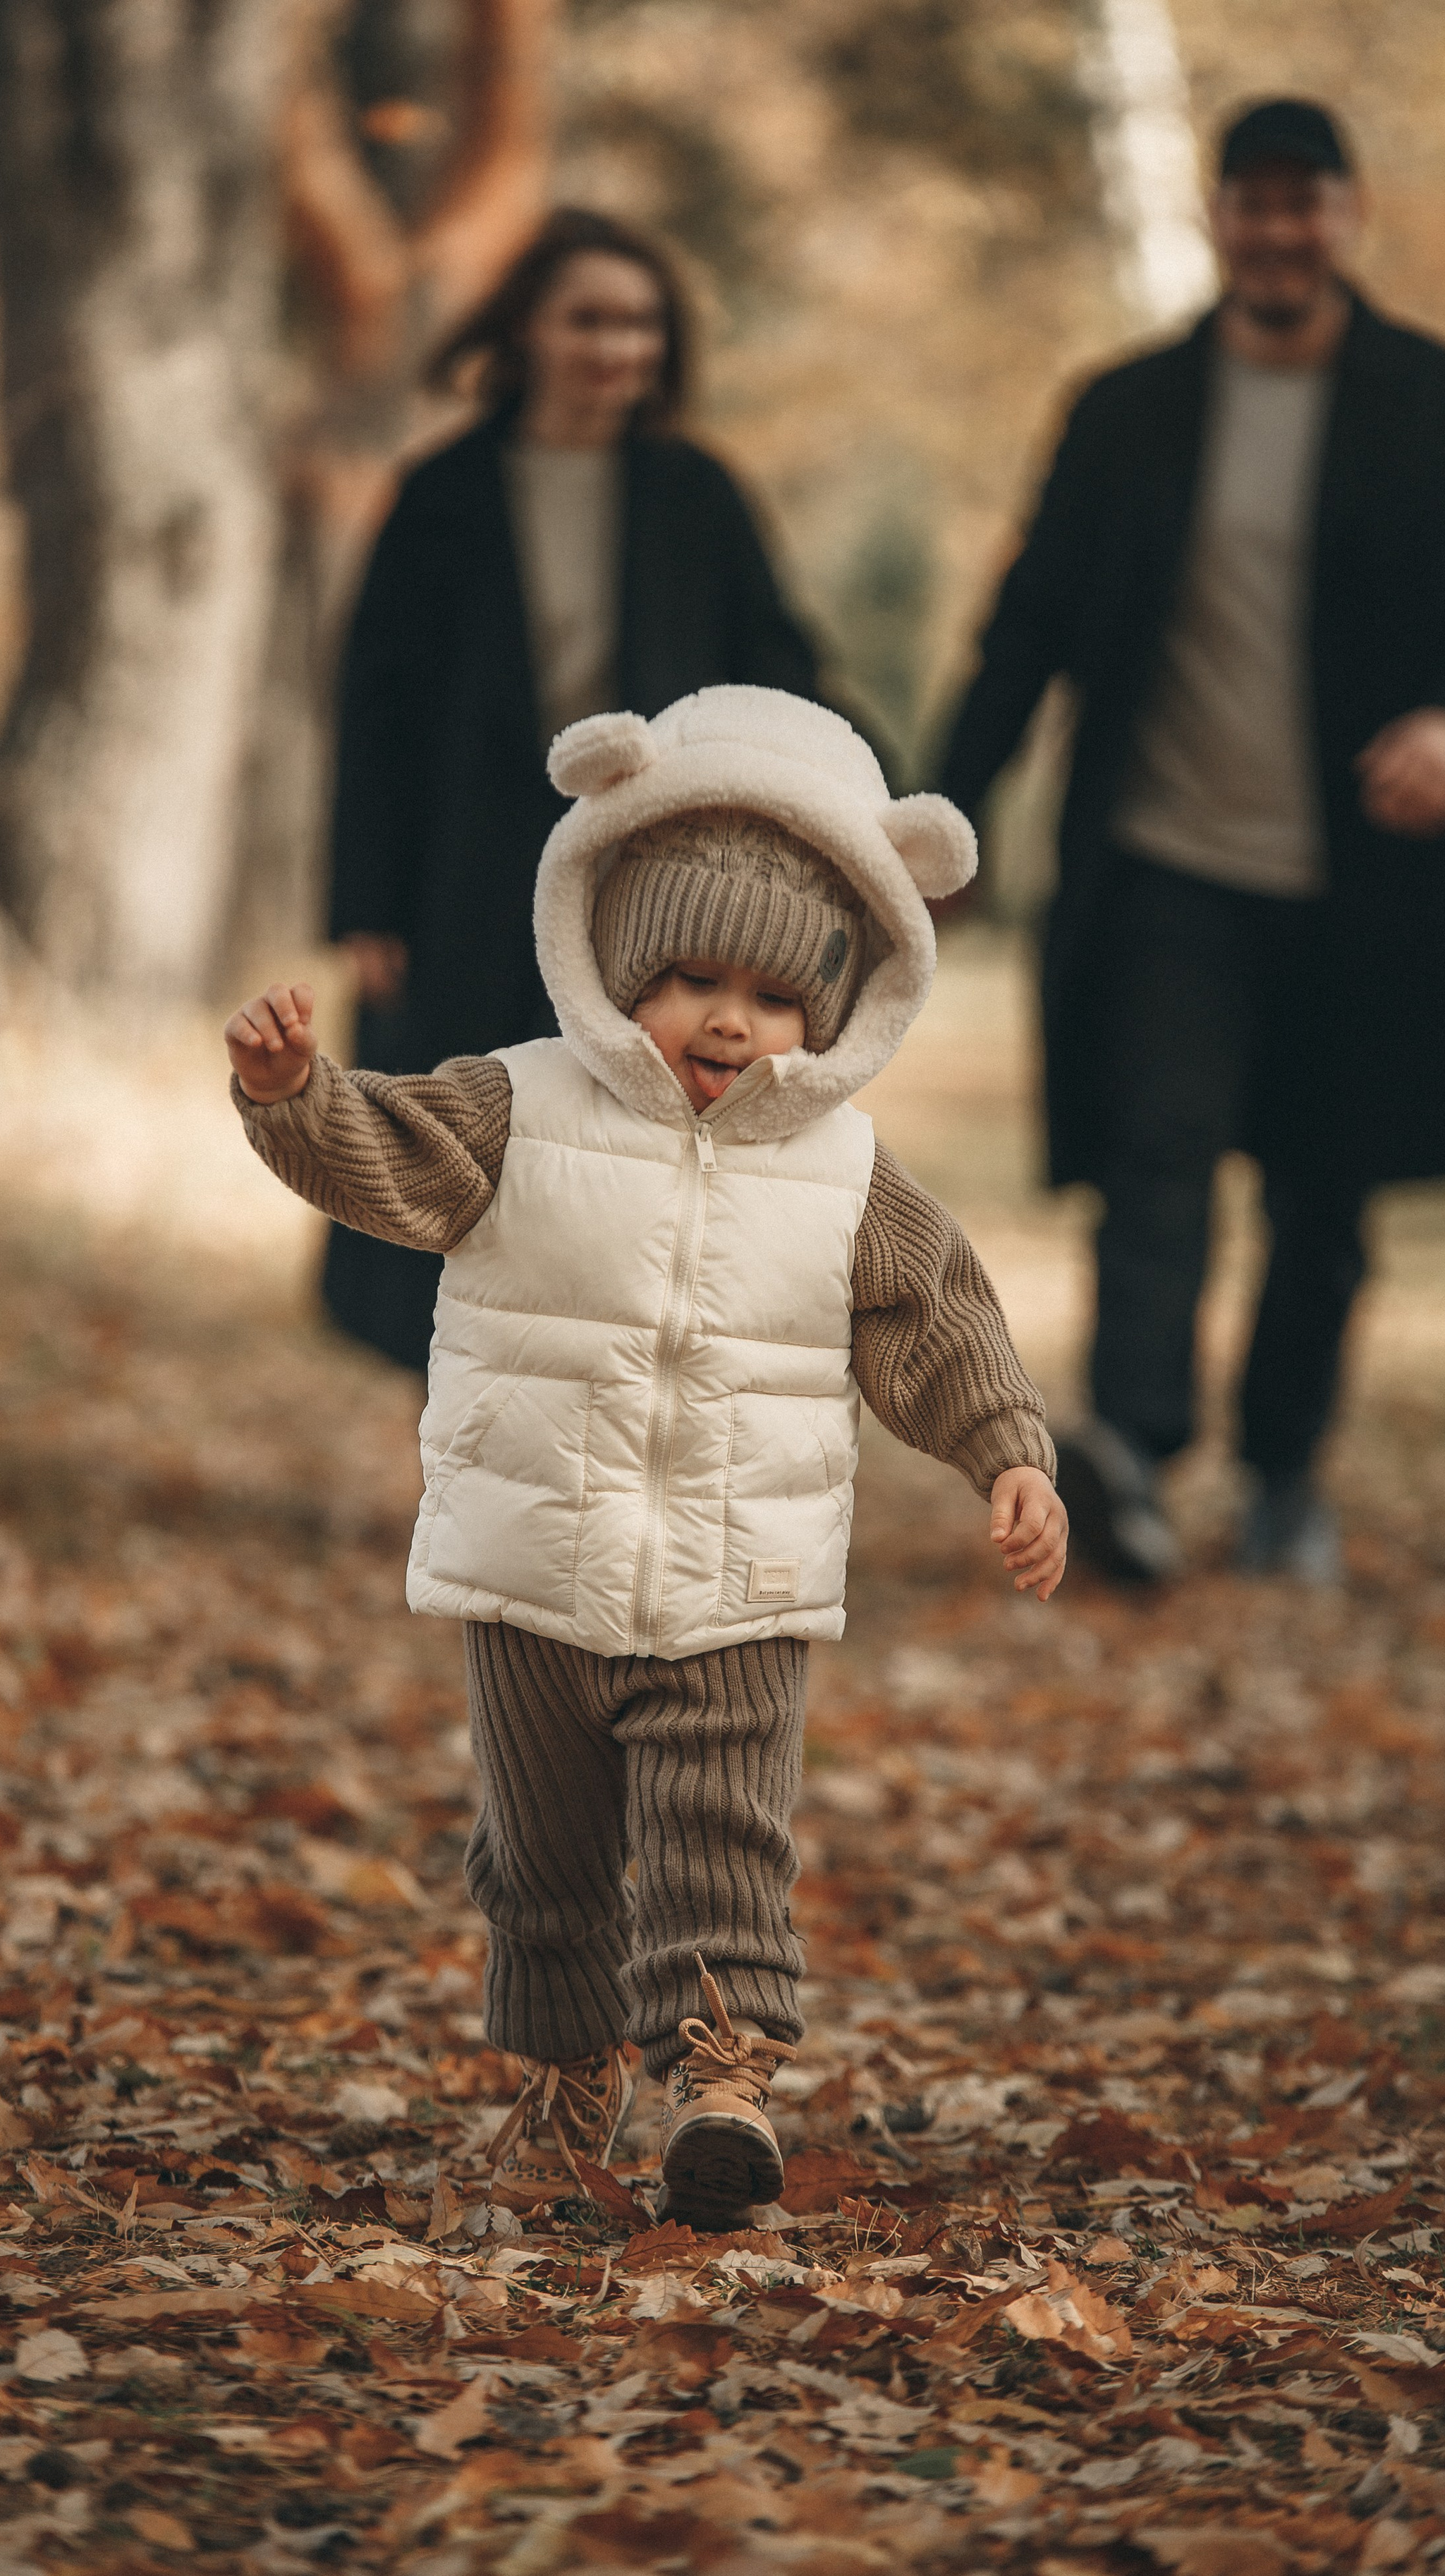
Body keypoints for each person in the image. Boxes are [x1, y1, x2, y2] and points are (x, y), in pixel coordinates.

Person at [226, 686, 1066, 2228]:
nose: (723, 1020)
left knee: (720, 1834)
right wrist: (297, 1101)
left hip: (739, 1574)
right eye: (684, 977)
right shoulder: (517, 1104)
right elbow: (385, 1160)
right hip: (533, 1562)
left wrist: (1007, 1452)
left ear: (833, 1002)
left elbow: (934, 1321)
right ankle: (560, 2093)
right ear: (617, 962)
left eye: (765, 992)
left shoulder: (844, 1174)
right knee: (537, 1856)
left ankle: (720, 2080)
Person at [937, 97, 1445, 1584]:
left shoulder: (1439, 401)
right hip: (1164, 859)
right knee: (1152, 1155)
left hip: (1361, 878)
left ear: (1346, 216)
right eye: (1251, 203)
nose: (1277, 230)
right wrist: (940, 820)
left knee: (1320, 1193)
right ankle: (1132, 1460)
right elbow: (1027, 628)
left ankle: (1280, 1473)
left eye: (1305, 203)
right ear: (1219, 218)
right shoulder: (1125, 410)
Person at [322, 207, 824, 1372]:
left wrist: (861, 812)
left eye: (642, 325)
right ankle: (451, 1411)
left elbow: (786, 665)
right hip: (467, 866)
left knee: (612, 1151)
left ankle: (589, 1401)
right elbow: (377, 707)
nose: (619, 349)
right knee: (463, 1137)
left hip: (646, 885)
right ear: (530, 332)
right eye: (591, 320)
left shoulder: (699, 494)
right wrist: (367, 901)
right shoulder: (442, 492)